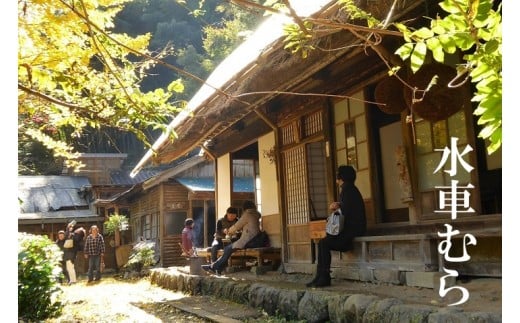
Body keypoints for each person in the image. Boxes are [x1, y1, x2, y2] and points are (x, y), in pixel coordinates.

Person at [306, 165, 366, 287]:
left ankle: (323, 277)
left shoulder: (347, 190)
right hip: (353, 228)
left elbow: (346, 212)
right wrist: (339, 205)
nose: (336, 178)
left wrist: (336, 207)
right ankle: (321, 276)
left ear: (341, 177)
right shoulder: (351, 189)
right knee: (323, 242)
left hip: (352, 230)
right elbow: (348, 208)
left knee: (324, 243)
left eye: (338, 175)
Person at [202, 200, 261, 275]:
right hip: (220, 238)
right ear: (227, 214)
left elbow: (236, 227)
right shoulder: (221, 220)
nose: (232, 217)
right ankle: (214, 265)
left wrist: (229, 231)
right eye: (230, 215)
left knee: (227, 249)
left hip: (248, 240)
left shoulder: (246, 215)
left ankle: (214, 267)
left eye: (234, 215)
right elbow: (218, 231)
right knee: (215, 247)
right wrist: (224, 231)